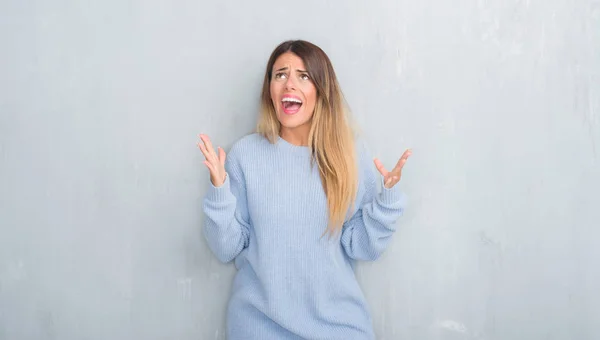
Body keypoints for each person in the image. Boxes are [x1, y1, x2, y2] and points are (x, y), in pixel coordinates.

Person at [198, 39, 411, 340]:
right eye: (280, 74)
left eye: (303, 76)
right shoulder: (245, 156)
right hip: (259, 328)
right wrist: (219, 190)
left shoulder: (348, 154)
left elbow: (362, 246)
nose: (289, 85)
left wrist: (387, 200)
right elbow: (226, 248)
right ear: (269, 89)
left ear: (321, 90)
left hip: (340, 328)